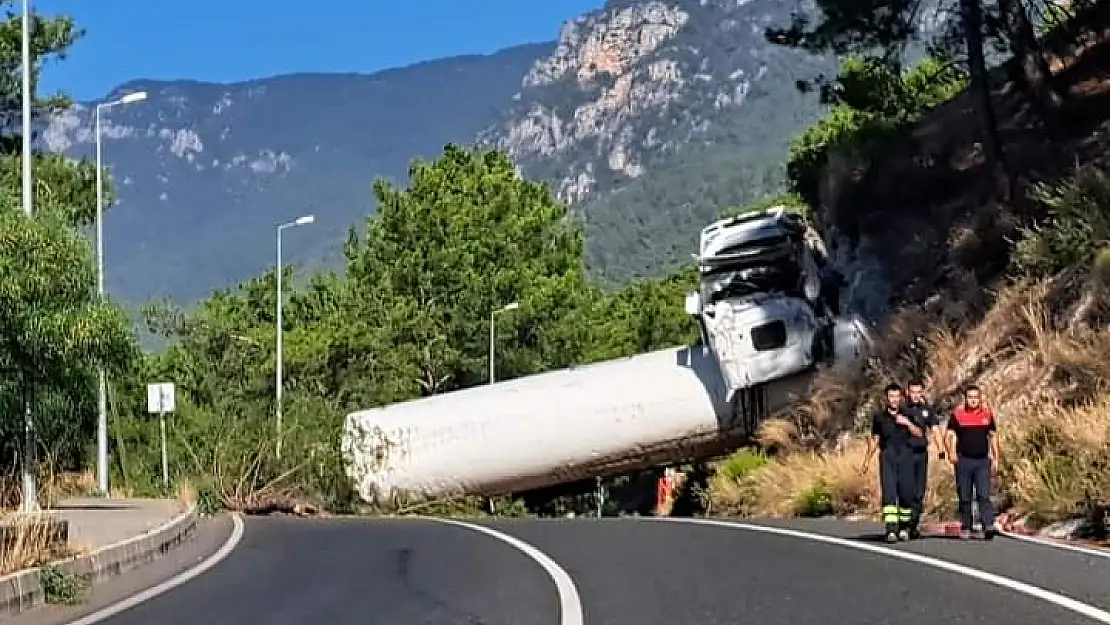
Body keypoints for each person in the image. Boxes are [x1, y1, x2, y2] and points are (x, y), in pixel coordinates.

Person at [860, 383, 925, 542]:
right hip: (888, 457)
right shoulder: (879, 417)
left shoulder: (909, 413)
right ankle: (890, 530)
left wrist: (907, 423)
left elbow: (919, 433)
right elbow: (875, 440)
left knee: (906, 495)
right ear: (886, 398)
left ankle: (903, 528)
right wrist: (866, 461)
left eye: (897, 396)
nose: (894, 400)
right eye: (891, 396)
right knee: (889, 495)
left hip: (906, 457)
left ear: (901, 398)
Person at [943, 385, 1001, 540]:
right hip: (964, 461)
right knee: (965, 495)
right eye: (970, 397)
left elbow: (993, 436)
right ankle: (966, 526)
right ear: (966, 399)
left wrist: (996, 457)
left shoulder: (987, 415)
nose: (973, 400)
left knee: (983, 494)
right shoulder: (958, 415)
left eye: (976, 397)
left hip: (982, 461)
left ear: (980, 398)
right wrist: (951, 453)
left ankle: (988, 524)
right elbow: (948, 435)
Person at [902, 379, 942, 538]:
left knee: (919, 491)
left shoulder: (926, 410)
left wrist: (941, 448)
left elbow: (935, 428)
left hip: (921, 453)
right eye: (913, 392)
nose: (916, 396)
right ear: (907, 392)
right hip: (906, 454)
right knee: (907, 491)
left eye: (919, 392)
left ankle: (913, 525)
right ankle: (903, 525)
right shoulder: (902, 409)